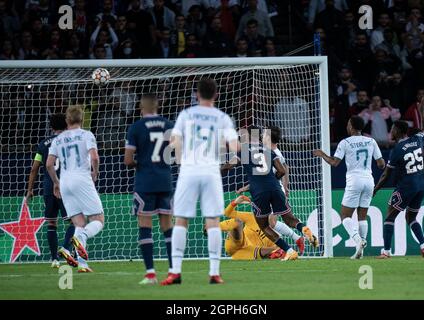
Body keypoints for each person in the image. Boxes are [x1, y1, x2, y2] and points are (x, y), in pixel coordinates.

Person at [162, 78, 239, 285]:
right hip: (211, 171)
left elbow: (174, 141)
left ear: (197, 94)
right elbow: (234, 147)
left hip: (189, 170)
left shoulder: (186, 114)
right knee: (212, 220)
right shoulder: (222, 117)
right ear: (215, 95)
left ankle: (175, 272)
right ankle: (214, 272)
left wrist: (181, 160)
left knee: (181, 220)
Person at [223, 126, 318, 261]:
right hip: (275, 188)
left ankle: (289, 251)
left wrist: (218, 170)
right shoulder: (268, 150)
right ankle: (304, 230)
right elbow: (282, 170)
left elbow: (229, 165)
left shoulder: (244, 150)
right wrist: (272, 181)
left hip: (259, 192)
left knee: (265, 226)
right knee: (290, 219)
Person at [314, 116, 385, 259]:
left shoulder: (345, 142)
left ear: (351, 126)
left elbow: (334, 163)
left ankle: (358, 240)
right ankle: (361, 249)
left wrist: (322, 154)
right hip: (369, 180)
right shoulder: (371, 141)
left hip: (354, 180)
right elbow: (381, 164)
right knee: (362, 216)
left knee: (345, 215)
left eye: (347, 124)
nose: (347, 126)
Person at [46, 105, 105, 273]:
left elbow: (49, 164)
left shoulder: (57, 139)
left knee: (78, 223)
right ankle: (82, 237)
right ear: (82, 119)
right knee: (98, 220)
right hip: (81, 179)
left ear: (67, 120)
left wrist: (56, 182)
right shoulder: (87, 135)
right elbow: (94, 157)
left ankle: (83, 265)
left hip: (65, 183)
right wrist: (95, 172)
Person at [124, 94, 174, 285]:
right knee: (167, 227)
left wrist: (141, 163)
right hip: (165, 180)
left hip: (145, 182)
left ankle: (151, 274)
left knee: (145, 226)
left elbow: (128, 160)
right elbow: (178, 153)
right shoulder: (169, 125)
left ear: (141, 108)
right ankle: (172, 271)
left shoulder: (136, 127)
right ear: (157, 107)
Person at [373, 96, 424, 259]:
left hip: (407, 186)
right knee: (411, 216)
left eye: (393, 129)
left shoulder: (398, 149)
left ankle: (386, 252)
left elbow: (386, 173)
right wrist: (422, 114)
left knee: (390, 216)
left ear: (399, 131)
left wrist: (376, 189)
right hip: (421, 185)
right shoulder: (418, 139)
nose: (391, 131)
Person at [236, 126, 305, 254]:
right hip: (272, 187)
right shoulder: (267, 151)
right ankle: (293, 242)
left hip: (273, 188)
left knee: (270, 224)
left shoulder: (271, 151)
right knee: (272, 223)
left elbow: (283, 169)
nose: (262, 136)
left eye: (264, 134)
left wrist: (285, 186)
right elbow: (282, 169)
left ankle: (284, 249)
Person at [25, 114, 75, 268]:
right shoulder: (70, 142)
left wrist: (30, 190)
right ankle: (66, 248)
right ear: (66, 125)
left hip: (48, 188)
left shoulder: (43, 144)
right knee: (74, 222)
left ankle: (54, 259)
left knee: (52, 224)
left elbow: (34, 169)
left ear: (51, 127)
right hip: (65, 186)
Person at [217, 195, 303, 260]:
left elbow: (272, 252)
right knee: (237, 222)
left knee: (274, 250)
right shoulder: (251, 217)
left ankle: (289, 249)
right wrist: (234, 202)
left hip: (248, 253)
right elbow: (228, 213)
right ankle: (212, 228)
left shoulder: (275, 236)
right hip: (235, 243)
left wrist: (276, 253)